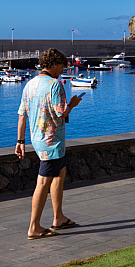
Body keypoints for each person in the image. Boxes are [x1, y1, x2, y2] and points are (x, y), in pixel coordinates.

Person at [16, 48, 83, 239]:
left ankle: (58, 218)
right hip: (51, 142)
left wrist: (20, 141)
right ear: (53, 64)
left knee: (59, 173)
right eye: (61, 66)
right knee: (43, 182)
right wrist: (73, 104)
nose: (62, 70)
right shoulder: (55, 85)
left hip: (38, 139)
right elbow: (61, 112)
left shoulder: (29, 85)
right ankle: (34, 228)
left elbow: (22, 114)